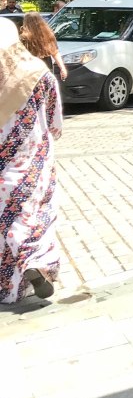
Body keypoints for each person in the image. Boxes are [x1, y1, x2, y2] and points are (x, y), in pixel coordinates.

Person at [0, 18, 63, 302]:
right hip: (36, 159)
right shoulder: (39, 73)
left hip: (4, 168)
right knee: (37, 212)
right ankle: (36, 260)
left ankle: (11, 284)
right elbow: (55, 120)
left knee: (7, 221)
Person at [19, 12, 68, 81]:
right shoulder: (48, 35)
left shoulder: (23, 38)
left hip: (29, 70)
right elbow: (55, 52)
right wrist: (62, 68)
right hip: (46, 68)